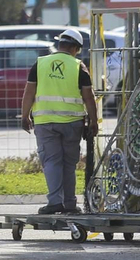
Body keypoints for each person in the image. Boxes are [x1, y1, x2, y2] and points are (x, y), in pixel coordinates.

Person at [20, 28, 99, 214]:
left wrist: (24, 115)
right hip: (72, 123)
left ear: (60, 44)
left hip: (45, 122)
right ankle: (70, 204)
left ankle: (55, 202)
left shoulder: (40, 64)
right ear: (75, 48)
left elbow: (29, 92)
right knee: (69, 164)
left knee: (52, 162)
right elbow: (89, 97)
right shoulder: (79, 66)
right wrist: (93, 121)